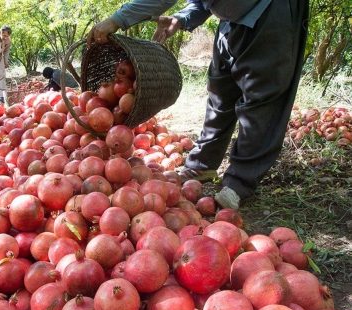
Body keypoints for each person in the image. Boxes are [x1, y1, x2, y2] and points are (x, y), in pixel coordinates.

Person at [88, 0, 309, 209]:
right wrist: (182, 18)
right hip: (232, 19)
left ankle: (240, 181)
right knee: (220, 93)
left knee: (262, 101)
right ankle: (202, 165)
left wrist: (117, 19)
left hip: (269, 12)